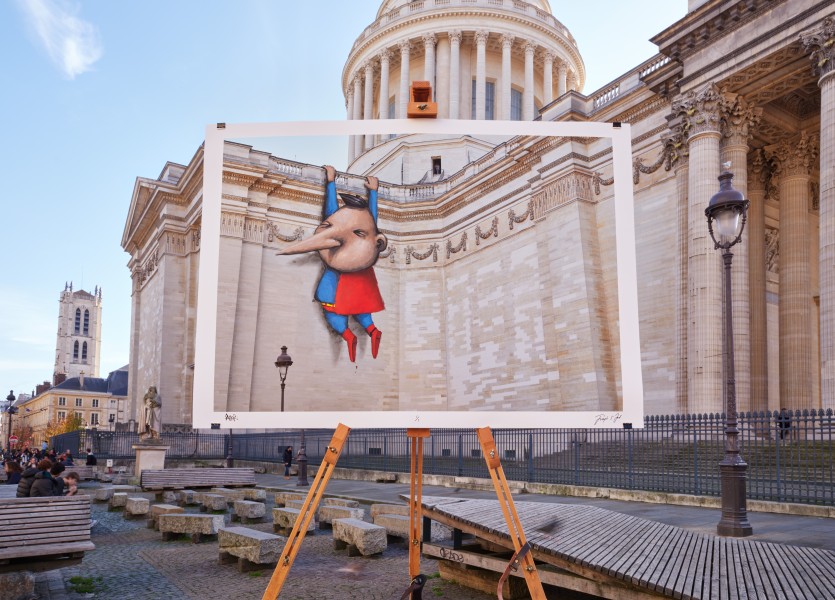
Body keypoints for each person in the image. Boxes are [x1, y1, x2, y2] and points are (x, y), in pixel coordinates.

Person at [278, 165, 386, 362]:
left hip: (336, 280)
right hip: (361, 280)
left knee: (332, 308)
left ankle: (348, 335)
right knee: (360, 306)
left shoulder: (339, 222)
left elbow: (330, 211)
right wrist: (373, 193)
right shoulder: (365, 223)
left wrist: (330, 182)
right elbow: (373, 220)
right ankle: (372, 329)